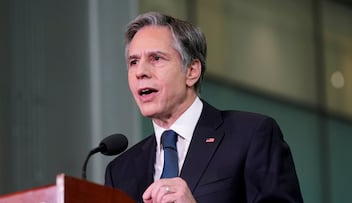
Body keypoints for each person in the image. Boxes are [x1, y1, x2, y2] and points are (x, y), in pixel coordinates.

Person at [105, 11, 304, 203]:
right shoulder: (120, 171)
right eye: (133, 62)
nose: (140, 72)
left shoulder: (251, 135)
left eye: (156, 58)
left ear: (191, 71)